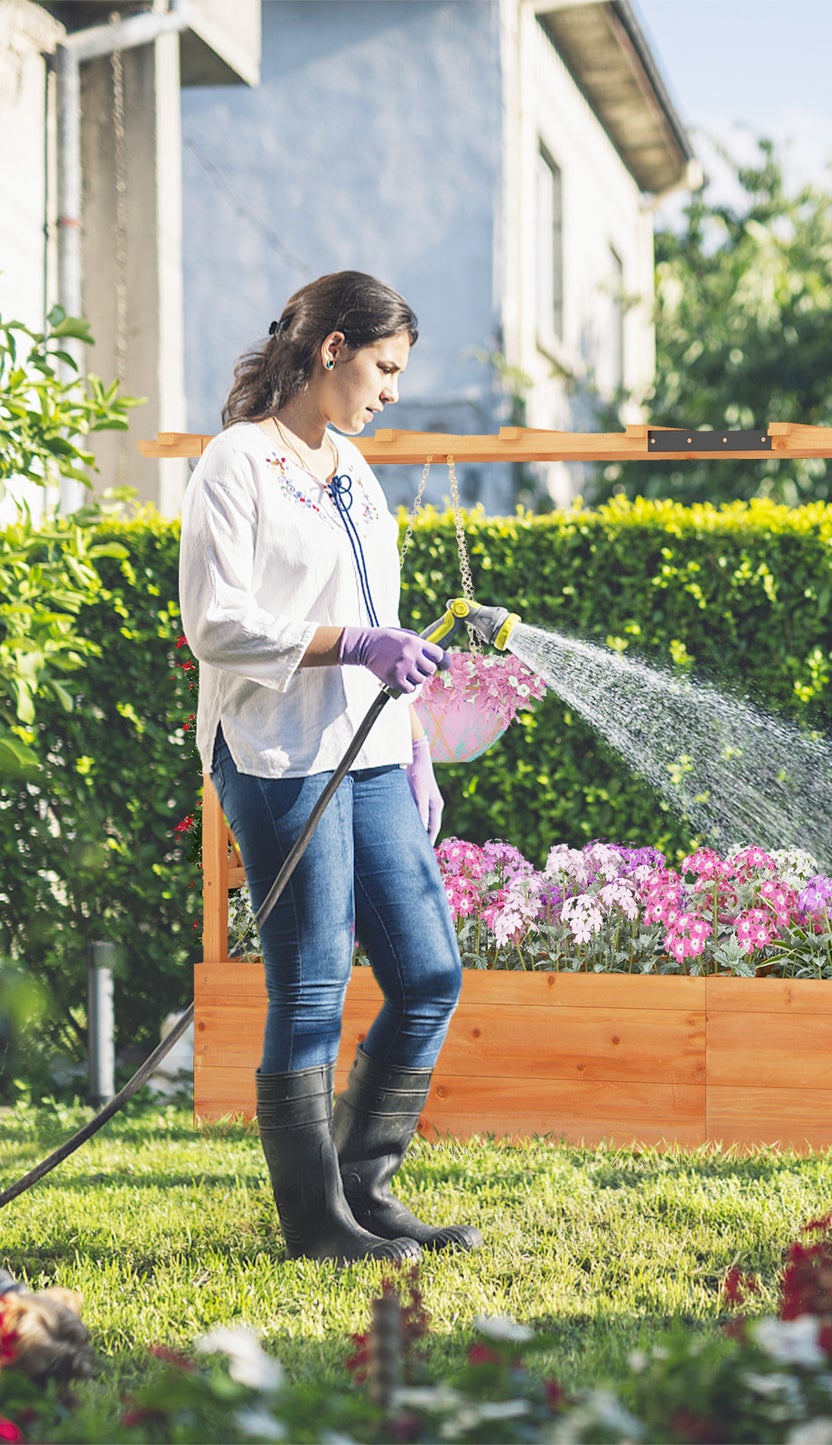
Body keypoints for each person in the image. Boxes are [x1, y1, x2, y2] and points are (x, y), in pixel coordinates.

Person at [179, 271, 480, 1263]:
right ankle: (314, 1224)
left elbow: (381, 621)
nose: (391, 390)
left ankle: (362, 1187)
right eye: (384, 368)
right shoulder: (236, 463)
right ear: (332, 349)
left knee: (429, 971)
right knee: (311, 983)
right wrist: (353, 646)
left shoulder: (353, 465)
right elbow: (216, 624)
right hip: (275, 750)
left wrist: (416, 737)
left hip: (371, 748)